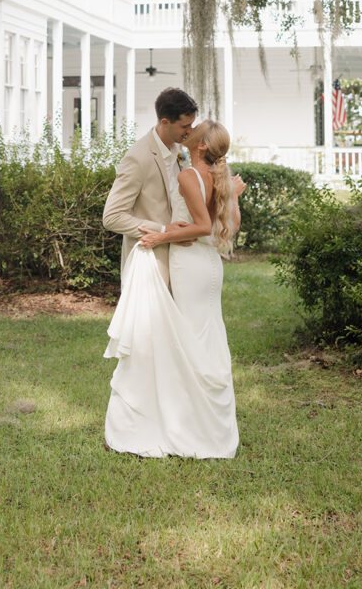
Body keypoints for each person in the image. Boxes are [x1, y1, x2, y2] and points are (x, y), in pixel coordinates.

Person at [103, 119, 245, 459]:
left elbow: (200, 226)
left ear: (199, 146)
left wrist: (161, 235)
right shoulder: (222, 178)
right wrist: (234, 196)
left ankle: (188, 428)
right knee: (207, 339)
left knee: (186, 345)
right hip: (212, 265)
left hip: (190, 264)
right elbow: (227, 225)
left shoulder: (188, 176)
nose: (189, 130)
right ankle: (209, 425)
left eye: (193, 130)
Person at [103, 87, 198, 289]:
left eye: (192, 124)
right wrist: (164, 231)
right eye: (185, 126)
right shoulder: (138, 157)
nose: (191, 131)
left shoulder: (180, 151)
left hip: (181, 259)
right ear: (165, 122)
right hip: (150, 262)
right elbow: (112, 217)